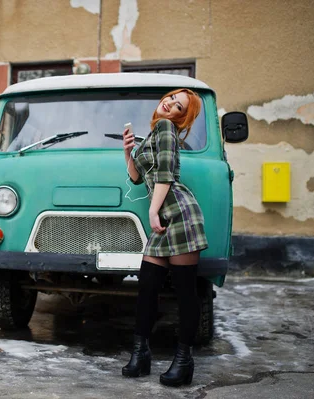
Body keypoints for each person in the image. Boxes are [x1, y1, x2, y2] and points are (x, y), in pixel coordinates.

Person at [121, 89, 207, 387]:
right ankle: (140, 354)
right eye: (171, 98)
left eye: (178, 105)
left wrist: (153, 212)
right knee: (147, 286)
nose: (170, 103)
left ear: (180, 116)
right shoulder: (153, 132)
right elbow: (136, 177)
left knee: (185, 292)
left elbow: (166, 174)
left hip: (180, 216)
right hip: (164, 216)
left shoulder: (166, 128)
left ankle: (184, 362)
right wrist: (128, 153)